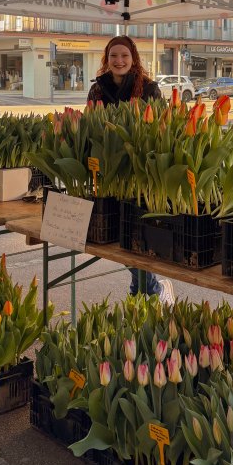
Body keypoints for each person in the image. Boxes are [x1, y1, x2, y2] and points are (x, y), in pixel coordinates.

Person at [87, 36, 175, 305]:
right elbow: (89, 127)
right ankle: (149, 288)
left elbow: (160, 127)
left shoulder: (148, 89)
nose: (119, 61)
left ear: (133, 58)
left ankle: (144, 290)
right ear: (107, 59)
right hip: (110, 173)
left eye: (124, 55)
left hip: (139, 172)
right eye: (114, 56)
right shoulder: (97, 91)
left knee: (135, 234)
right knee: (119, 235)